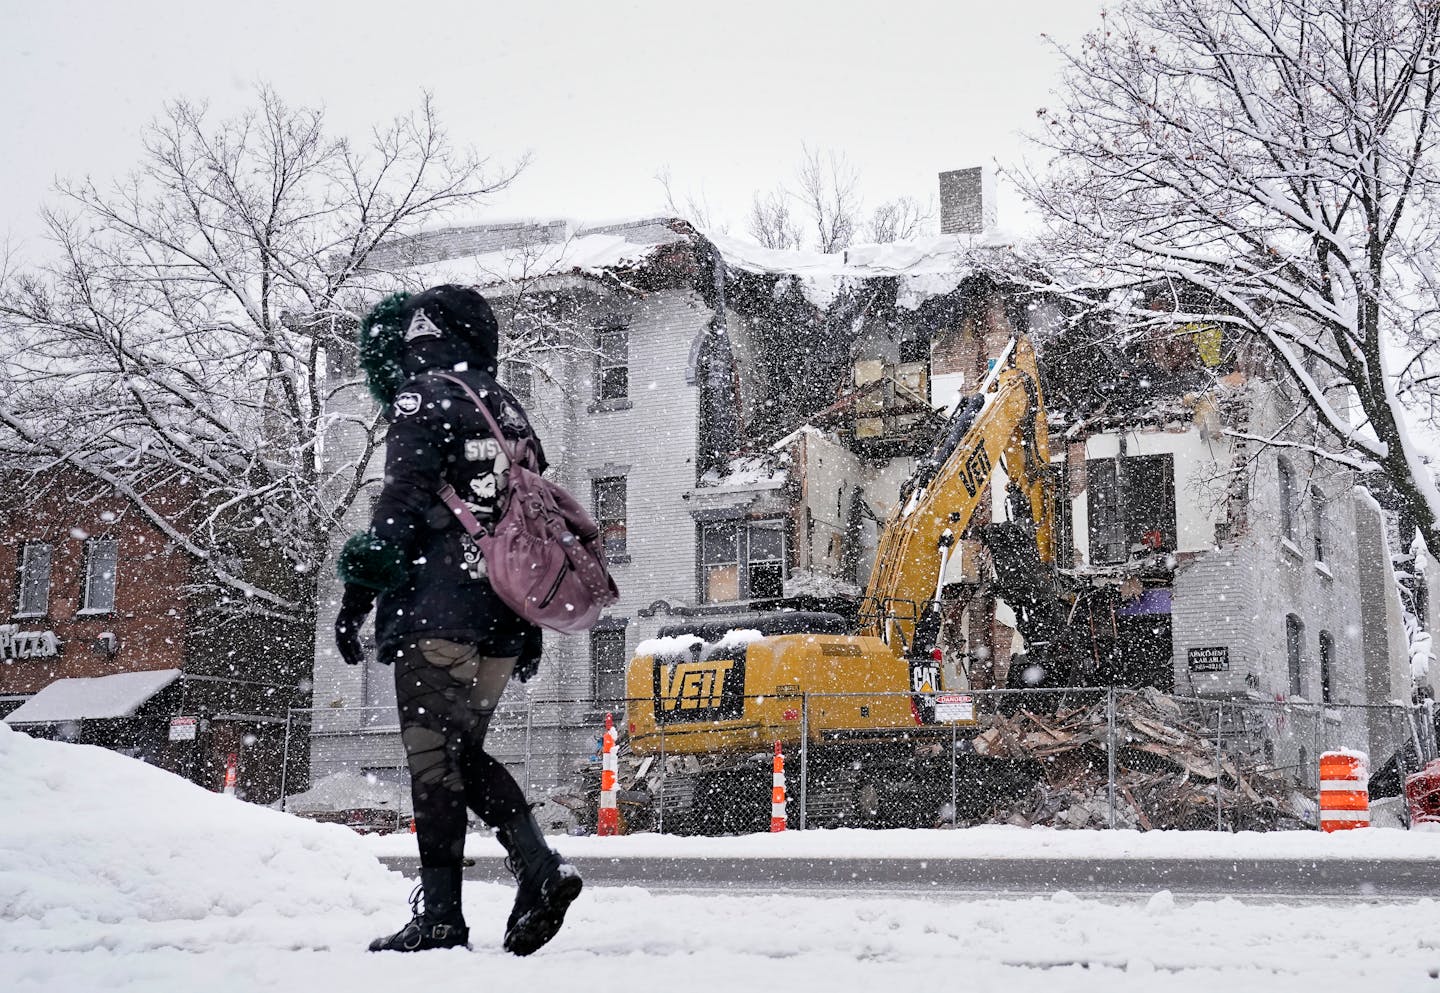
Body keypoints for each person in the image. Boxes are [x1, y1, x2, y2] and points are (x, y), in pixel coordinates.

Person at [333, 284, 582, 954]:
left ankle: (445, 915)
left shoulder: (421, 396)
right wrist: (526, 625)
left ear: (418, 341)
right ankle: (536, 862)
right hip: (504, 612)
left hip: (437, 614)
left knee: (432, 764)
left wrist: (359, 593)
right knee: (459, 754)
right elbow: (530, 518)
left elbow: (403, 501)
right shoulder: (508, 407)